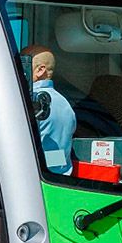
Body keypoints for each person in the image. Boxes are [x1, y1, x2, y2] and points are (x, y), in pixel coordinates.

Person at [21, 44, 76, 175]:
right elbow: (55, 153)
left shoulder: (28, 101)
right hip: (59, 183)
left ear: (40, 70)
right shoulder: (66, 105)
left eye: (22, 65)